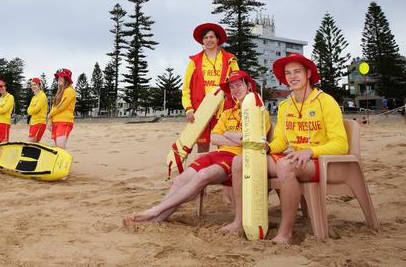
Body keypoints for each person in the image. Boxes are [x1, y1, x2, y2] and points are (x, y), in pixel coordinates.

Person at [222, 53, 348, 244]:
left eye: (297, 71)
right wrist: (266, 148)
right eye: (288, 73)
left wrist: (311, 151)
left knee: (285, 166)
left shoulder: (325, 101)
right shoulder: (285, 105)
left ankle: (285, 233)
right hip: (296, 158)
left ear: (308, 73)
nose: (292, 76)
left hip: (320, 161)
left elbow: (341, 144)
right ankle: (239, 221)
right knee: (240, 161)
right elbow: (281, 140)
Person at [124, 70, 268, 224]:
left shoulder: (259, 112)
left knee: (203, 175)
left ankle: (155, 210)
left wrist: (227, 135)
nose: (235, 90)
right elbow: (214, 137)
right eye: (232, 87)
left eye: (239, 85)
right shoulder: (227, 113)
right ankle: (156, 219)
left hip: (238, 160)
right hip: (218, 155)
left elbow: (251, 141)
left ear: (249, 87)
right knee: (180, 180)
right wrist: (234, 137)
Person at [182, 23, 238, 153]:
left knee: (225, 145)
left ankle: (224, 171)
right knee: (202, 146)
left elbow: (238, 86)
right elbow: (186, 89)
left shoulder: (231, 60)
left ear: (217, 39)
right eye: (206, 37)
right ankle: (202, 170)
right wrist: (188, 109)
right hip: (200, 110)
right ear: (202, 41)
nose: (209, 40)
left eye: (212, 37)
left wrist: (238, 106)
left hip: (224, 110)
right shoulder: (194, 62)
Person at [48, 68, 76, 149]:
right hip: (56, 121)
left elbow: (61, 107)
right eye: (58, 76)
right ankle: (59, 162)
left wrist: (49, 115)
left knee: (60, 148)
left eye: (62, 77)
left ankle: (64, 162)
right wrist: (50, 120)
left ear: (67, 79)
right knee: (57, 148)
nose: (59, 78)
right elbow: (54, 106)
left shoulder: (70, 91)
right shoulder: (59, 91)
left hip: (64, 122)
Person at [26, 78, 48, 142]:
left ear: (39, 85)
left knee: (31, 142)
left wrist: (32, 110)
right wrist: (31, 111)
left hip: (40, 122)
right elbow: (28, 111)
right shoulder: (34, 97)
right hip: (32, 122)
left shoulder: (42, 96)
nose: (33, 87)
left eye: (35, 85)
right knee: (32, 145)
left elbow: (35, 110)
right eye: (32, 85)